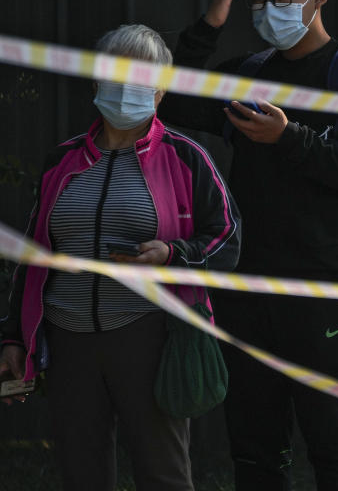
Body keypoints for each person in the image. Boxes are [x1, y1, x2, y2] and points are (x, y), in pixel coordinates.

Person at [159, 0, 338, 490]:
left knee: (336, 441)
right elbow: (167, 98)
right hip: (250, 284)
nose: (270, 8)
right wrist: (210, 24)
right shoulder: (251, 72)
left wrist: (289, 139)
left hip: (327, 286)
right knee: (256, 442)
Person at [0, 24, 241, 491]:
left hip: (148, 334)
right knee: (81, 474)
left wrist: (174, 253)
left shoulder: (187, 157)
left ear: (160, 90)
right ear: (95, 81)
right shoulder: (62, 161)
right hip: (69, 340)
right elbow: (31, 257)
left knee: (163, 474)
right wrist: (13, 337)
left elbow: (227, 239)